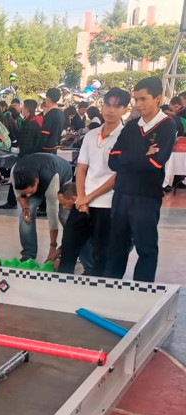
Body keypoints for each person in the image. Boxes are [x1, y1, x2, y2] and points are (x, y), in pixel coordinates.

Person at [104, 77, 176, 282]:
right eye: (136, 100)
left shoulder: (167, 126)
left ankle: (142, 292)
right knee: (116, 247)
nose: (138, 105)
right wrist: (142, 154)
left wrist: (128, 157)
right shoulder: (131, 126)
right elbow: (112, 161)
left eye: (143, 99)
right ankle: (110, 288)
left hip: (146, 196)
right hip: (121, 194)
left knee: (146, 247)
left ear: (158, 98)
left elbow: (156, 162)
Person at [58, 88, 130, 276]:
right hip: (82, 202)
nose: (110, 110)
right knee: (69, 247)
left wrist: (89, 197)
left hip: (106, 204)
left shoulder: (126, 137)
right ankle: (60, 291)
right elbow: (81, 167)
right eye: (107, 104)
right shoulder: (91, 135)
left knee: (101, 254)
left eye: (117, 106)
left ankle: (95, 292)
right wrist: (81, 197)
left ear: (124, 109)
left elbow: (117, 175)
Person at [11, 153, 73, 262]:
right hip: (39, 169)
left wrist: (52, 247)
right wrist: (25, 209)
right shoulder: (14, 173)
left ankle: (72, 250)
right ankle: (28, 254)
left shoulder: (51, 179)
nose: (28, 196)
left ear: (36, 181)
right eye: (25, 194)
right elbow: (19, 195)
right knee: (25, 217)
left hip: (61, 173)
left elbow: (52, 215)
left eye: (30, 192)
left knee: (66, 217)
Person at [0, 99, 44, 210]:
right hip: (30, 154)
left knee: (15, 176)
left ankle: (12, 201)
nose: (21, 109)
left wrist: (21, 152)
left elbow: (27, 140)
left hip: (26, 155)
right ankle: (14, 200)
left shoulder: (31, 123)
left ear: (27, 109)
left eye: (23, 107)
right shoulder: (33, 121)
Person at [38, 87, 65, 154]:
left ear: (48, 98)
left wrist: (37, 149)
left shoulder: (50, 114)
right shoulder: (61, 114)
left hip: (46, 150)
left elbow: (44, 135)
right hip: (55, 148)